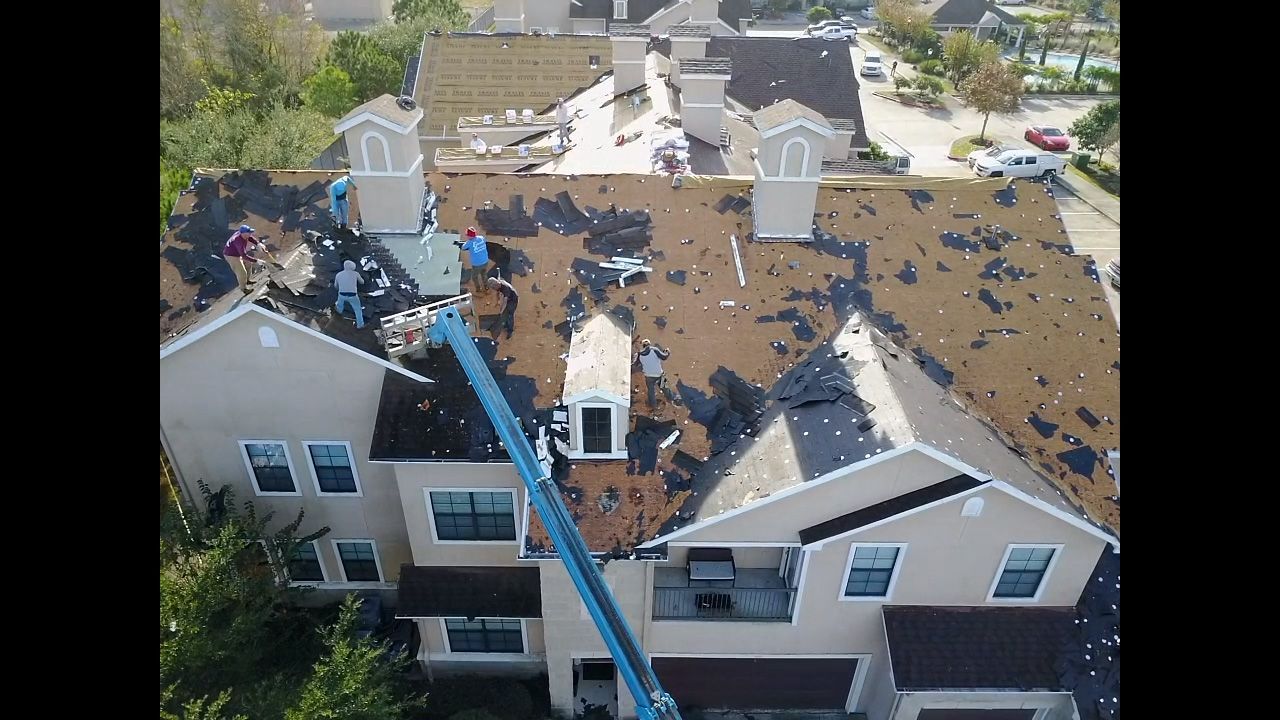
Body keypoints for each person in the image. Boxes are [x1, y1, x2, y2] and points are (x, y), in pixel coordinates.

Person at [223, 225, 280, 294]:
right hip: (231, 256)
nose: (250, 234)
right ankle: (244, 289)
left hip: (238, 253)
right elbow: (244, 255)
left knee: (248, 264)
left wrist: (258, 244)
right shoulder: (238, 242)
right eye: (249, 232)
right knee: (241, 272)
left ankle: (247, 280)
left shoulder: (243, 234)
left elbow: (250, 238)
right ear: (243, 233)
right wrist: (257, 261)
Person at [634, 339, 671, 408]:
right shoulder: (654, 350)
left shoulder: (639, 355)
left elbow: (636, 364)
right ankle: (671, 399)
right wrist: (668, 352)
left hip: (648, 376)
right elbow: (664, 357)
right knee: (665, 388)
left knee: (651, 392)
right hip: (659, 374)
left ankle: (653, 406)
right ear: (649, 345)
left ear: (643, 346)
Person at [457, 227, 492, 294]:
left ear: (470, 236)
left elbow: (463, 247)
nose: (466, 236)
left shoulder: (469, 242)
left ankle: (478, 289)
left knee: (474, 277)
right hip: (485, 261)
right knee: (484, 274)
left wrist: (459, 244)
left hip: (477, 264)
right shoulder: (481, 238)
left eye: (467, 235)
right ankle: (486, 287)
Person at [334, 260, 366, 328]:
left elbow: (335, 286)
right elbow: (362, 282)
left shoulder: (338, 274)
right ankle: (360, 325)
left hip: (342, 295)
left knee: (339, 305)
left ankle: (338, 315)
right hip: (352, 295)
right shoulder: (356, 273)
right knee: (357, 310)